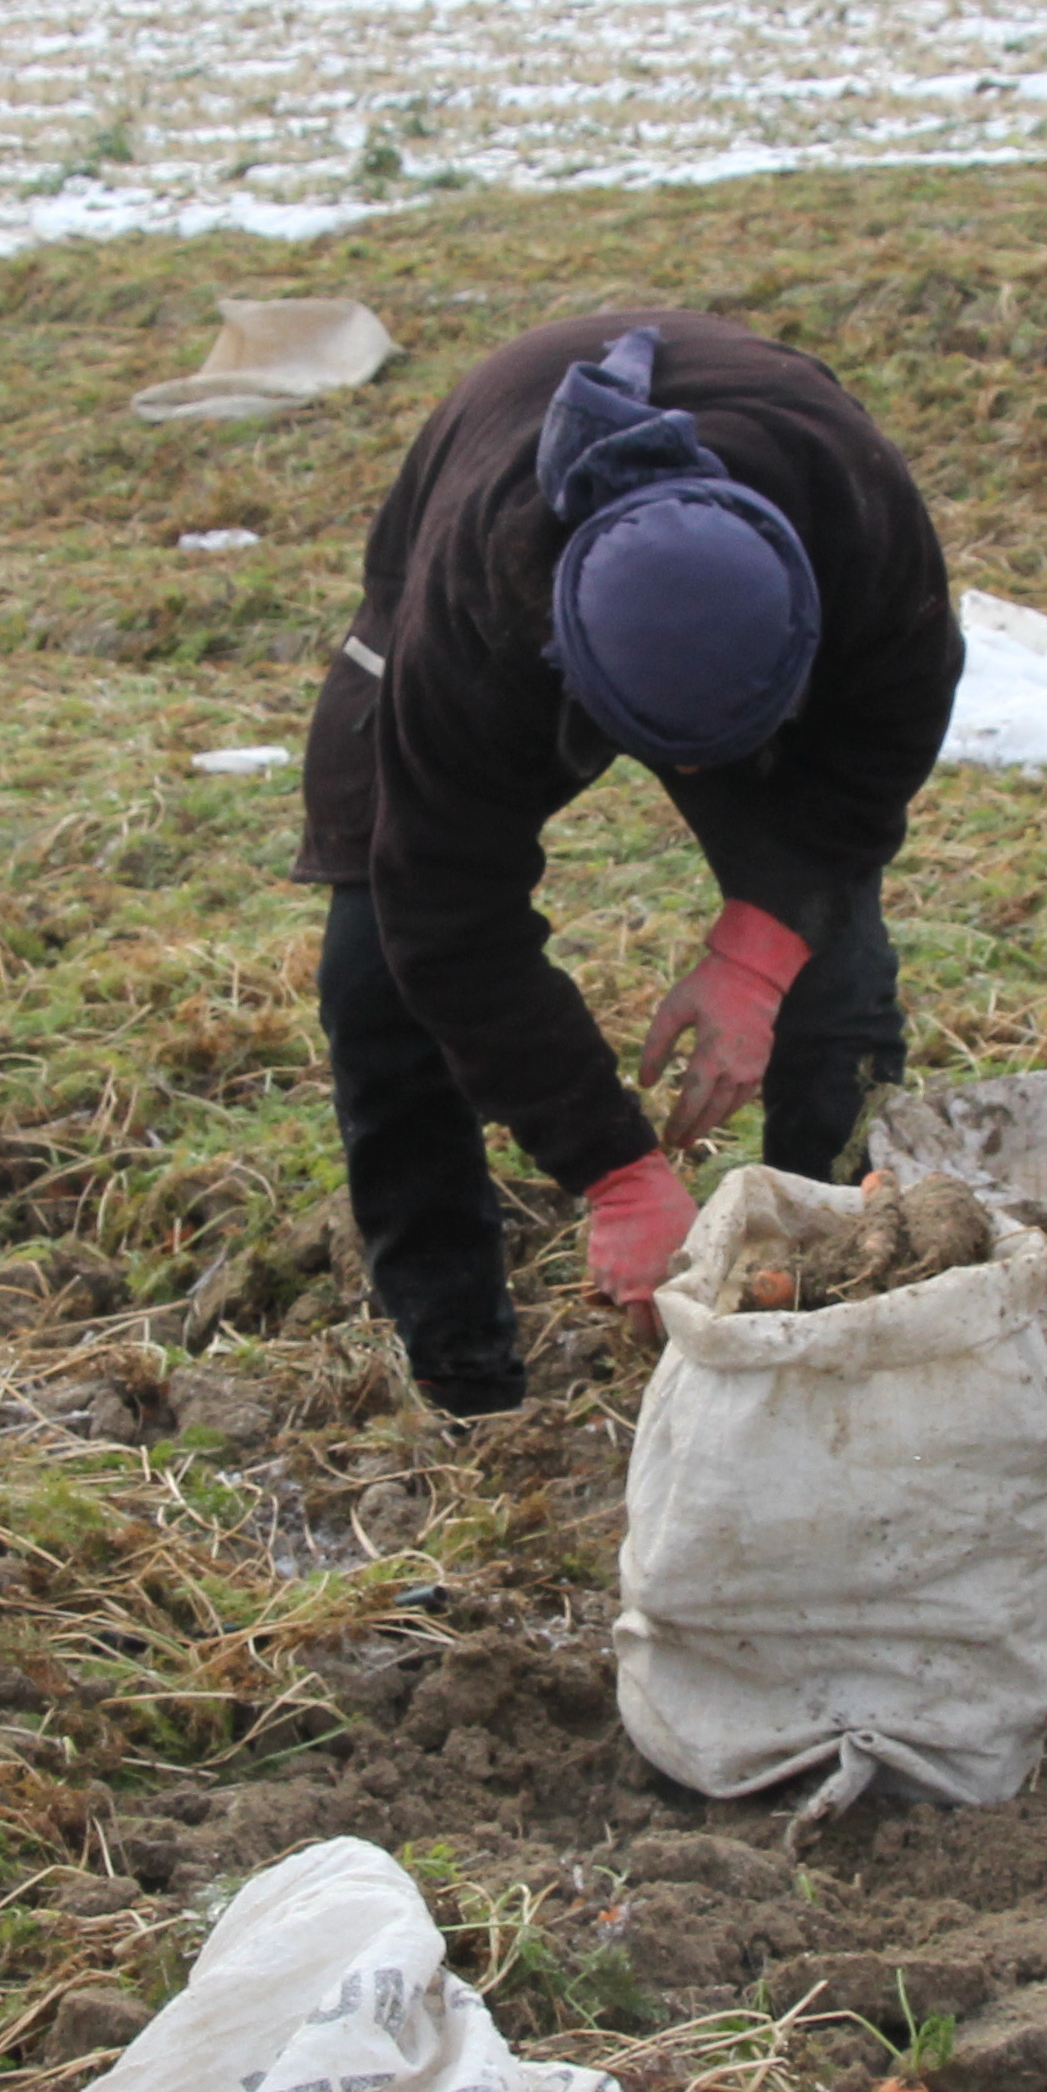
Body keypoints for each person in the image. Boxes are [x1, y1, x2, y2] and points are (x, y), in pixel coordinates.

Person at [295, 311, 963, 1410]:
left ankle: (832, 1311)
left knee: (832, 978)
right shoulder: (477, 614)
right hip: (477, 516)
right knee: (375, 977)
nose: (694, 791)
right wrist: (614, 1169)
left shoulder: (859, 519)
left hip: (769, 580)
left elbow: (876, 749)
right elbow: (447, 911)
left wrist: (758, 952)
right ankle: (466, 1384)